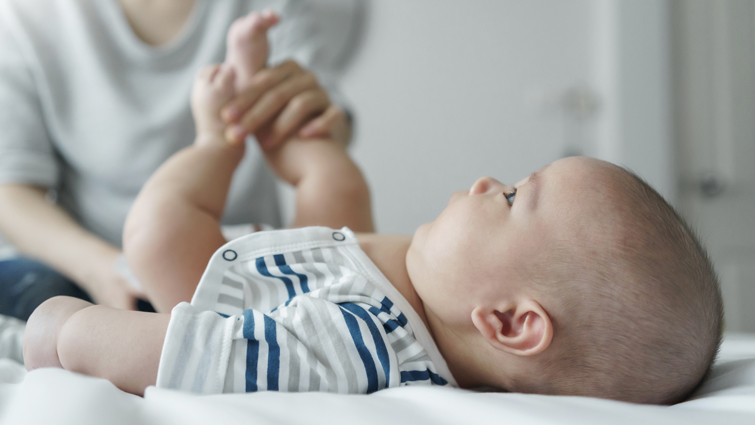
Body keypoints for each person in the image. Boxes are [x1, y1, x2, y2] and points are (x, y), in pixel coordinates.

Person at [24, 14, 723, 405]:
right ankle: (260, 92)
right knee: (336, 186)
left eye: (513, 197)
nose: (484, 181)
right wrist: (321, 144)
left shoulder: (357, 341)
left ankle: (218, 133)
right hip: (326, 255)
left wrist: (70, 333)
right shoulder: (427, 300)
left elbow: (199, 355)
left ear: (508, 320)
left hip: (226, 285)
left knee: (156, 229)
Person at [0, 0, 356, 319]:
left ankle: (224, 138)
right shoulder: (25, 16)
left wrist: (312, 119)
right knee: (35, 293)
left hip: (256, 268)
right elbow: (10, 192)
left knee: (330, 190)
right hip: (96, 268)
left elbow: (330, 126)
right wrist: (102, 271)